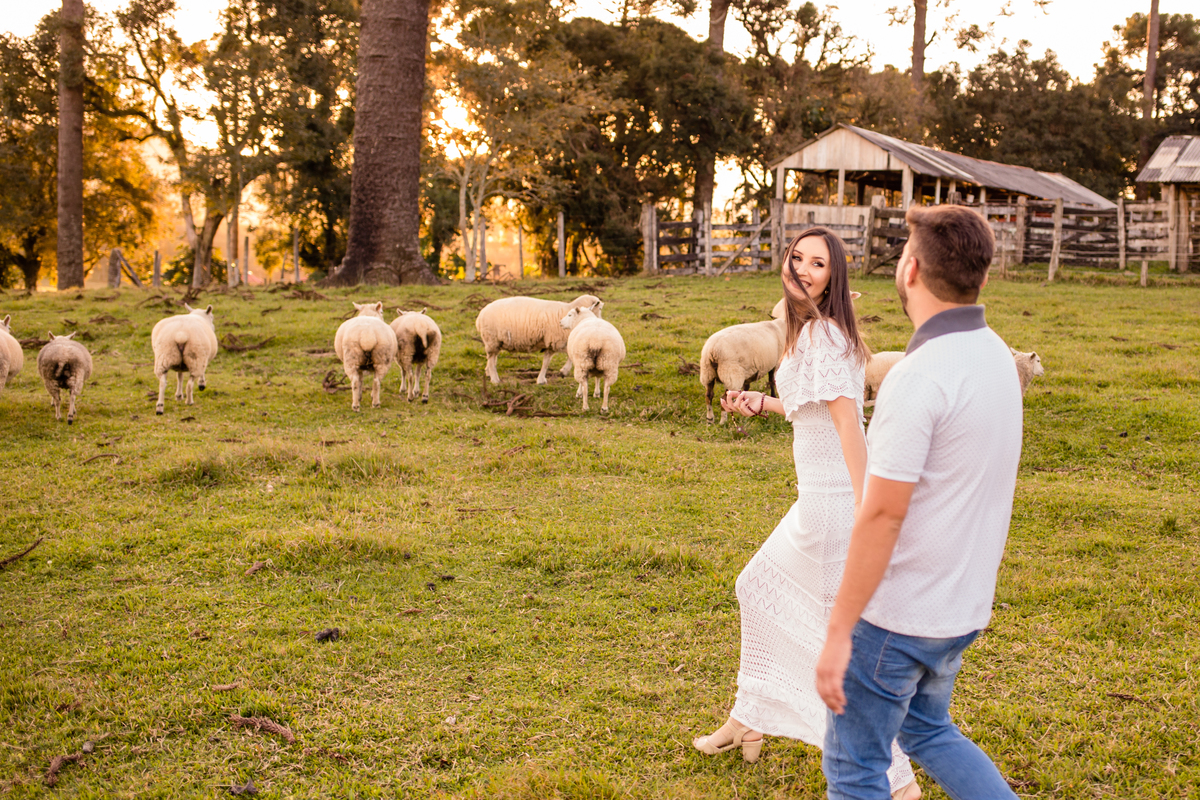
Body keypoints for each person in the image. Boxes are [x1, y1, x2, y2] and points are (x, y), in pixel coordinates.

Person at [692, 227, 921, 800]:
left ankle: (897, 780)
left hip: (836, 507)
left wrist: (867, 509)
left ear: (833, 276)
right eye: (797, 257)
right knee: (756, 586)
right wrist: (762, 402)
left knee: (839, 642)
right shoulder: (809, 332)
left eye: (818, 263)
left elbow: (849, 425)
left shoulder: (823, 335)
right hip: (814, 501)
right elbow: (811, 407)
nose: (803, 269)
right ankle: (749, 719)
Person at [814, 205, 1023, 799]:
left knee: (855, 770)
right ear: (982, 276)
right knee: (928, 729)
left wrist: (840, 630)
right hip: (960, 607)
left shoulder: (918, 375)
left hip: (896, 618)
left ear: (909, 270)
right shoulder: (996, 354)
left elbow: (883, 513)